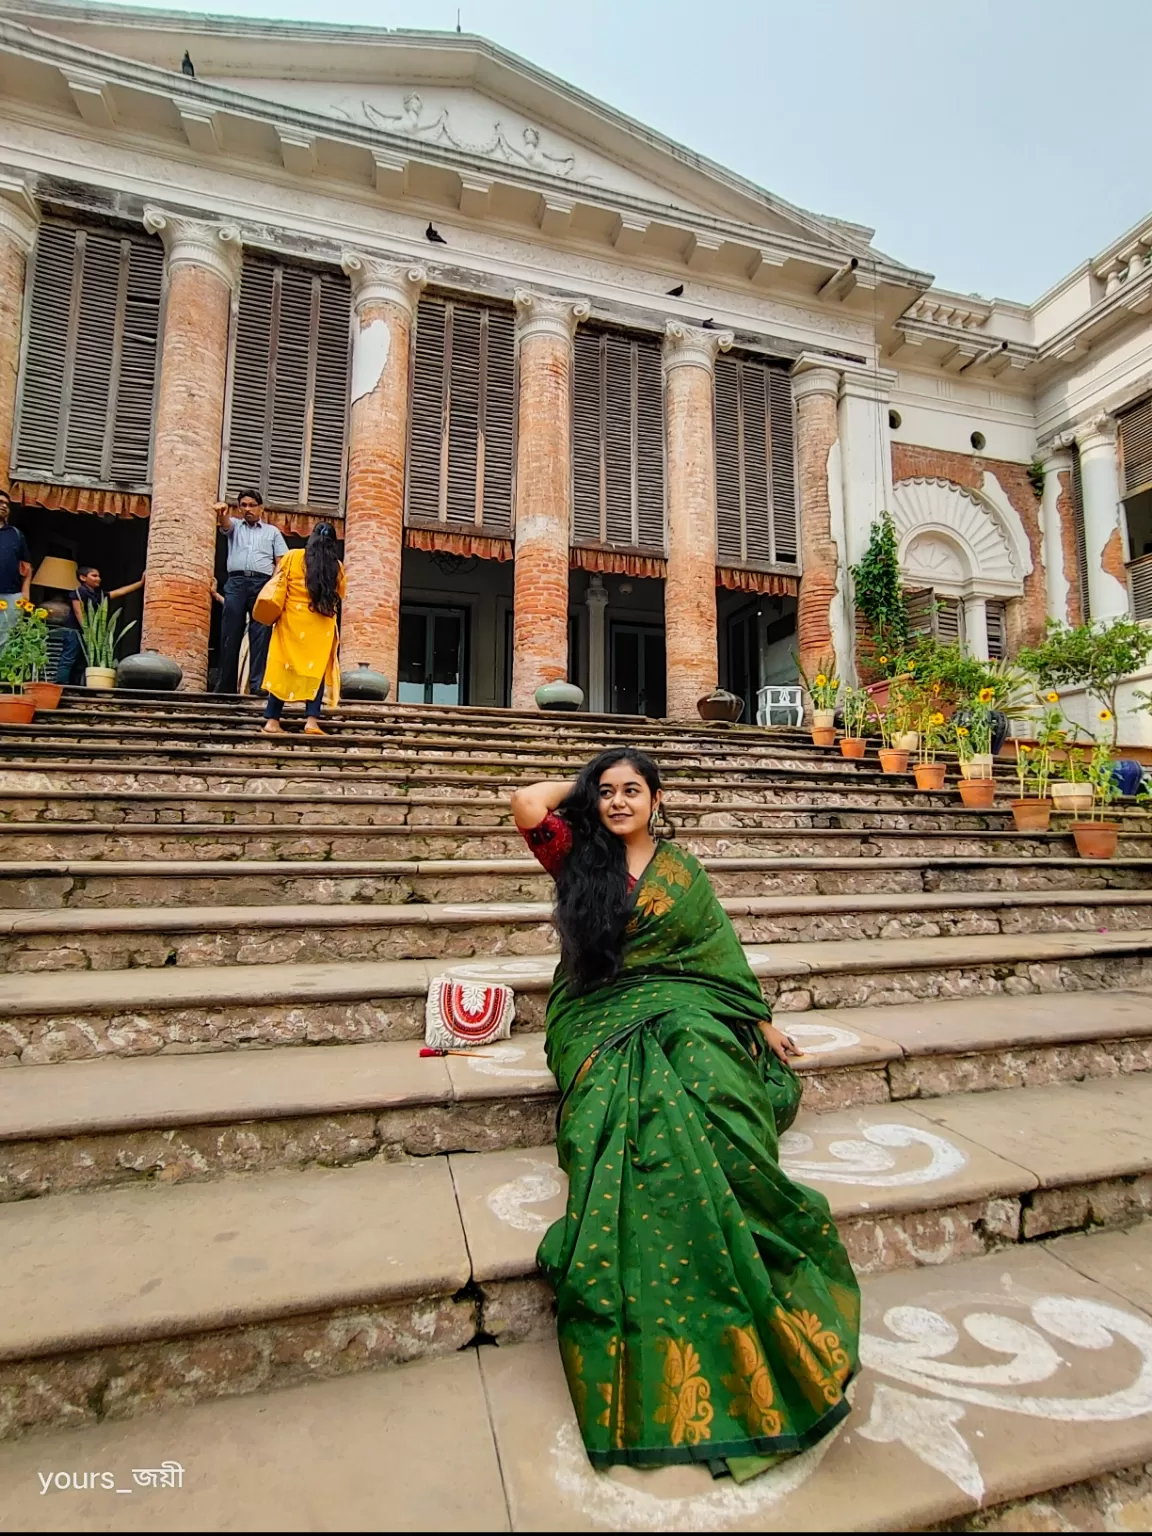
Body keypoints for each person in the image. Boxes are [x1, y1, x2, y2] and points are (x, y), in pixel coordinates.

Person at [510, 748, 859, 1482]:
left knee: (707, 1055)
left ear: (657, 798)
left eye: (631, 790)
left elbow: (719, 952)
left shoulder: (684, 873)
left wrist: (758, 1021)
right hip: (597, 1012)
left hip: (686, 999)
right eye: (606, 792)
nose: (617, 802)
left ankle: (734, 1176)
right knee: (618, 1106)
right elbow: (524, 802)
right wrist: (583, 792)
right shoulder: (577, 858)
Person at [262, 521, 344, 736]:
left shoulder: (292, 557)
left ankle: (272, 721)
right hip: (320, 624)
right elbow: (340, 593)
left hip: (291, 621)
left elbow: (279, 583)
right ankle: (311, 721)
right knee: (314, 672)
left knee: (283, 668)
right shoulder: (336, 566)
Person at [215, 491, 287, 695]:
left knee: (261, 634)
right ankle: (225, 686)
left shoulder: (272, 532)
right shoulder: (235, 526)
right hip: (236, 583)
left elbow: (281, 560)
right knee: (230, 633)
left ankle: (257, 684)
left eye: (252, 505)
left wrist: (272, 583)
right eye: (243, 505)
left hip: (262, 583)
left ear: (261, 508)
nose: (248, 509)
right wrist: (221, 513)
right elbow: (225, 525)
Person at [55, 564, 145, 684]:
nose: (98, 578)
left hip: (88, 633)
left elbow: (119, 592)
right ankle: (62, 686)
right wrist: (87, 630)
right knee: (69, 659)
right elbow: (78, 611)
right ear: (83, 578)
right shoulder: (79, 592)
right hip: (75, 631)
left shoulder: (98, 595)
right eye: (94, 576)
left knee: (81, 662)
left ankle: (75, 686)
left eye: (99, 576)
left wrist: (140, 583)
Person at [0, 490, 31, 649]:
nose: (4, 506)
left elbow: (26, 566)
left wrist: (25, 593)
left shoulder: (16, 534)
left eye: (7, 504)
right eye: (0, 502)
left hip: (11, 595)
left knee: (6, 640)